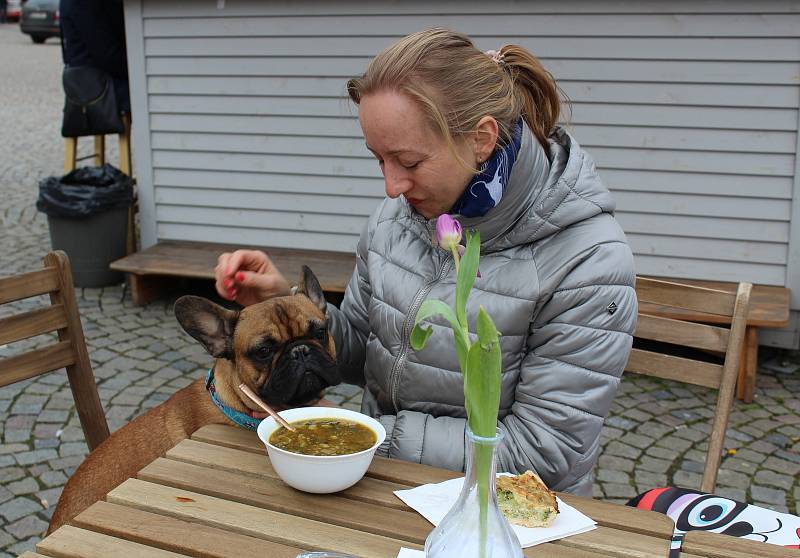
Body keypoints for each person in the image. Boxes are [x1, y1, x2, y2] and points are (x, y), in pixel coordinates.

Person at [214, 28, 637, 496]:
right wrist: (288, 308)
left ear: (481, 139)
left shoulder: (587, 262)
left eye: (408, 162)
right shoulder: (396, 220)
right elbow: (361, 351)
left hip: (502, 511)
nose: (391, 187)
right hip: (378, 485)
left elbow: (543, 452)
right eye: (379, 160)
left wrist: (371, 436)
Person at [59, 0, 130, 114]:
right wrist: (133, 70)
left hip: (81, 76)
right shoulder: (85, 3)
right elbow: (106, 53)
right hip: (100, 83)